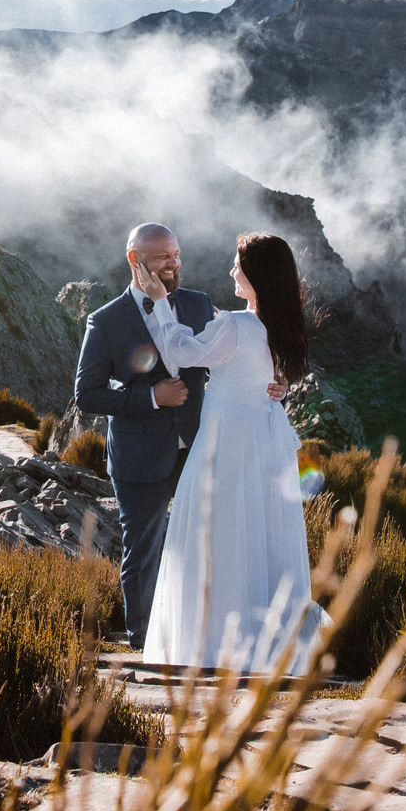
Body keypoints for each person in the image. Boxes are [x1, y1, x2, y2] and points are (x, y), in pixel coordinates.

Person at [133, 231, 319, 674]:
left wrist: (160, 302)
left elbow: (181, 355)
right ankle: (269, 645)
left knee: (217, 532)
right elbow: (268, 374)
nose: (232, 271)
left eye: (238, 264)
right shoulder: (278, 324)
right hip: (266, 440)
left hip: (226, 442)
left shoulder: (237, 325)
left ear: (256, 274)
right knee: (259, 533)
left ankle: (214, 645)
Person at [70, 223, 214, 650]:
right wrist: (152, 397)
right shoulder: (107, 320)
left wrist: (272, 378)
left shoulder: (198, 304)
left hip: (198, 449)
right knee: (143, 550)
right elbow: (86, 395)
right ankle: (144, 643)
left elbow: (225, 357)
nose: (174, 264)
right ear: (135, 260)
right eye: (163, 257)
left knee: (206, 544)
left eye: (176, 255)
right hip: (139, 456)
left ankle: (197, 635)